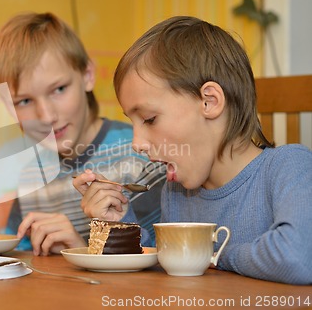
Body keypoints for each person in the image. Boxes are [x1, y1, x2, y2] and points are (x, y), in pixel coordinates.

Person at [73, 16, 312, 285]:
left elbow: (297, 257)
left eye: (150, 119)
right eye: (133, 122)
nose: (136, 143)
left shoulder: (290, 167)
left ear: (209, 102)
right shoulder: (176, 195)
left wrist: (210, 255)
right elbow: (161, 271)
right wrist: (120, 222)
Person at [0, 12, 166, 256]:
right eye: (24, 101)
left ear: (87, 75)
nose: (46, 115)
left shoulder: (142, 155)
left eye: (59, 89)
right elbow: (18, 256)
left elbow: (161, 259)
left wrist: (78, 250)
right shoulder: (31, 175)